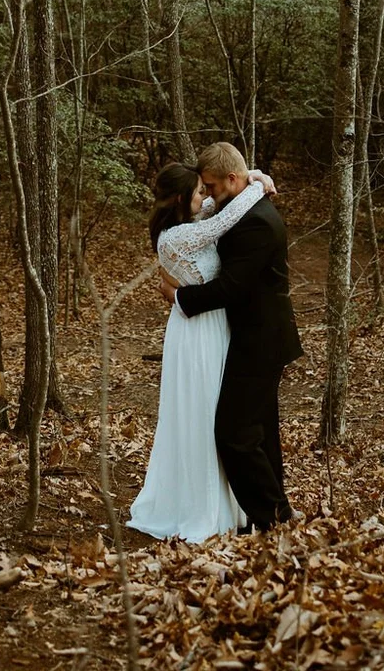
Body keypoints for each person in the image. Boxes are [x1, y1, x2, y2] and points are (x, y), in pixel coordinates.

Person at [127, 160, 273, 542]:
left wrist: (252, 174)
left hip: (214, 326)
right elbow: (223, 221)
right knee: (203, 414)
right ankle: (201, 507)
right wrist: (258, 186)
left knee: (219, 412)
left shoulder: (188, 225)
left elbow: (219, 205)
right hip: (196, 333)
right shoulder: (175, 238)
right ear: (180, 198)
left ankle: (231, 502)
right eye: (197, 192)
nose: (205, 196)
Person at [160, 142, 302, 531]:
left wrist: (180, 297)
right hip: (253, 334)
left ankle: (271, 518)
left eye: (212, 186)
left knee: (234, 434)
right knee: (260, 429)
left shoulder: (257, 221)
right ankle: (276, 511)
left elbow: (231, 289)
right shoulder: (243, 205)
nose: (208, 195)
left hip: (260, 339)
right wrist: (256, 178)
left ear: (232, 180)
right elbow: (213, 217)